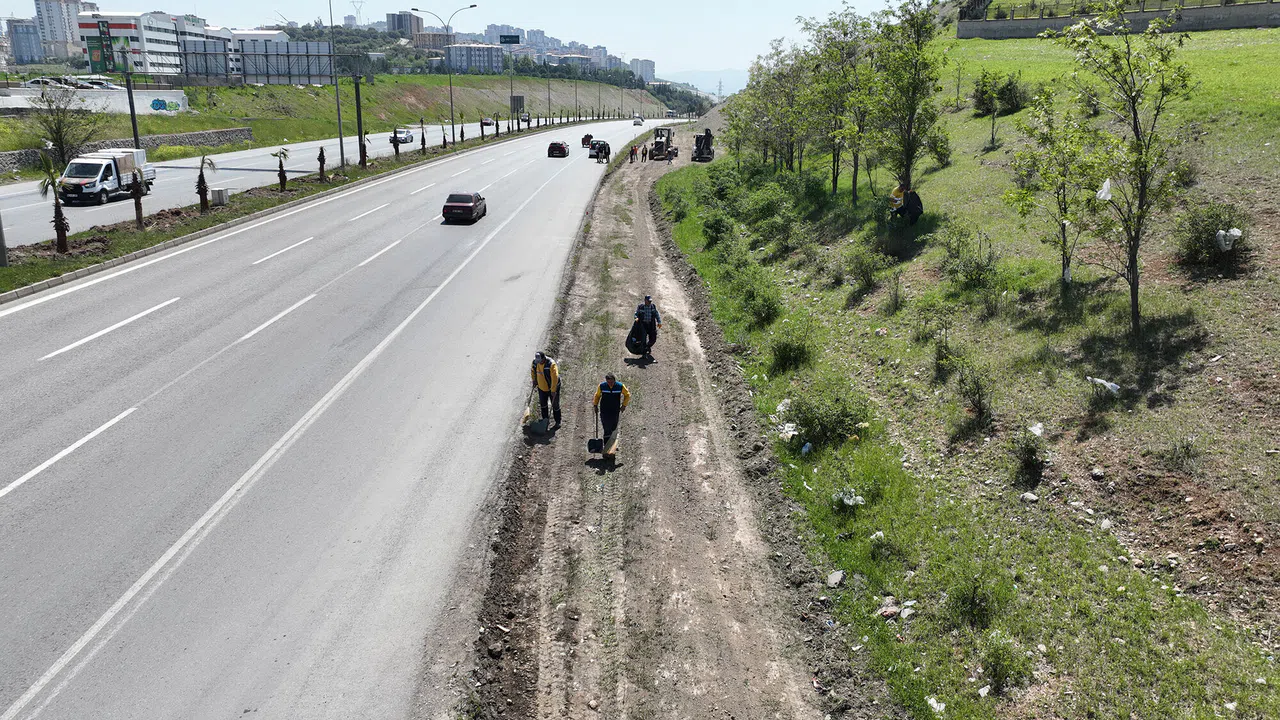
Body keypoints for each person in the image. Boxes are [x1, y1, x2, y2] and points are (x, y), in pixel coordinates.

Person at [593, 373, 631, 459]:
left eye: (612, 382)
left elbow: (627, 395)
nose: (610, 384)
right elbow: (597, 395)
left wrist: (624, 405)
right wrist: (595, 405)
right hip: (604, 411)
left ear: (614, 380)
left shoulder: (620, 386)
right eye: (608, 382)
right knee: (607, 430)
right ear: (606, 381)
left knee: (613, 429)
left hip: (615, 411)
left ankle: (612, 448)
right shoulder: (602, 386)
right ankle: (606, 451)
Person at [530, 351, 561, 426]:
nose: (539, 363)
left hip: (552, 387)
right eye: (538, 361)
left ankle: (558, 421)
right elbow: (533, 371)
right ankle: (545, 420)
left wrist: (553, 390)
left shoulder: (551, 364)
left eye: (540, 361)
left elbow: (555, 378)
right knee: (543, 404)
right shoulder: (535, 362)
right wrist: (534, 380)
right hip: (541, 388)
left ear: (544, 358)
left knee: (555, 404)